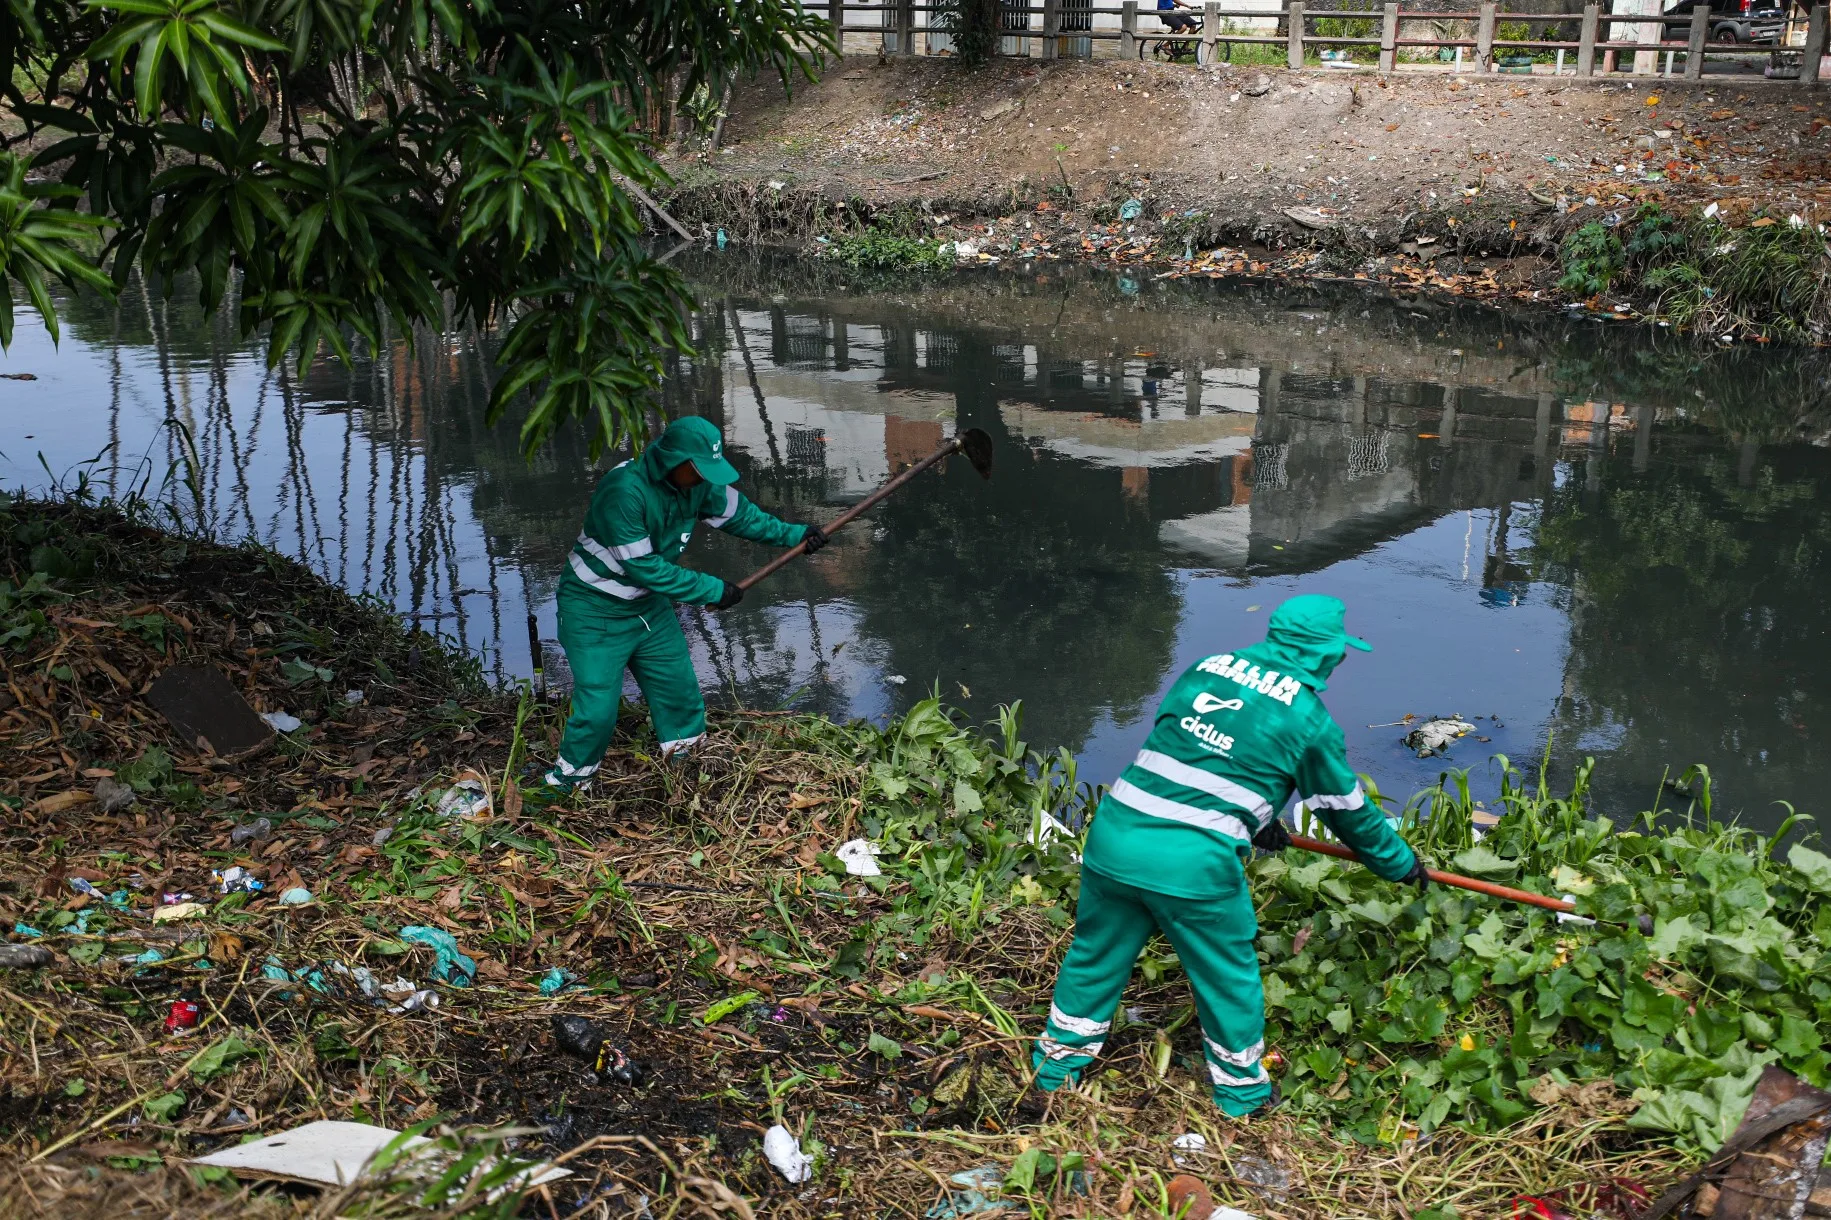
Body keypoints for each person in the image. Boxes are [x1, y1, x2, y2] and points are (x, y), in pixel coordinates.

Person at [1031, 594, 1425, 1118]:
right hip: (1191, 864)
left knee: (1097, 952)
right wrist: (1399, 864)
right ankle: (1242, 1094)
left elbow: (1194, 750)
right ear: (1325, 651)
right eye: (1339, 650)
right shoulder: (1310, 720)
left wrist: (1256, 820)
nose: (1341, 659)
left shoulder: (1207, 668)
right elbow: (1345, 810)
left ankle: (1056, 1066)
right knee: (1226, 973)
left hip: (1116, 833)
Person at [540, 416, 825, 794]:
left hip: (648, 608)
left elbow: (743, 517)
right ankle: (567, 786)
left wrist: (796, 535)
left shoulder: (696, 486)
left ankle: (688, 774)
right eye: (700, 471)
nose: (707, 479)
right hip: (595, 611)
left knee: (679, 692)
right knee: (596, 711)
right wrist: (711, 589)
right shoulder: (624, 491)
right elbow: (644, 568)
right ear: (675, 463)